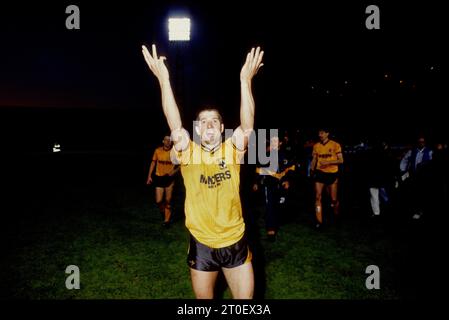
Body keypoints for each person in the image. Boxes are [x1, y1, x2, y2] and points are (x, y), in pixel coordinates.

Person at [142, 44, 263, 299]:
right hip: (202, 243)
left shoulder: (232, 149)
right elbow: (175, 127)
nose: (209, 124)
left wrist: (245, 80)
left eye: (215, 120)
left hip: (235, 240)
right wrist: (164, 80)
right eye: (203, 121)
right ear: (197, 129)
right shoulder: (189, 152)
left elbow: (248, 127)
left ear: (221, 129)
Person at [253, 136, 294, 241]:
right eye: (271, 142)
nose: (273, 144)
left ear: (280, 143)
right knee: (269, 205)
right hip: (269, 183)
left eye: (275, 141)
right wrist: (257, 182)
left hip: (282, 184)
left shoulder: (286, 154)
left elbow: (291, 168)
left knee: (279, 205)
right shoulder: (266, 155)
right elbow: (259, 169)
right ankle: (271, 230)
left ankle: (277, 221)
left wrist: (287, 180)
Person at [310, 128, 344, 229]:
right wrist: (311, 170)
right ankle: (319, 222)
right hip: (319, 173)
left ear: (327, 134)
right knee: (318, 197)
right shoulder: (316, 146)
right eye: (319, 133)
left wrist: (328, 162)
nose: (320, 135)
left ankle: (336, 215)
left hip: (332, 174)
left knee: (333, 200)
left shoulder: (335, 145)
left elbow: (341, 160)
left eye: (322, 133)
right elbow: (314, 159)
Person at [146, 135, 179, 227]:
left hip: (169, 178)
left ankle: (166, 221)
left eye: (169, 140)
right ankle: (164, 213)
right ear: (163, 141)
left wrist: (174, 171)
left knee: (168, 200)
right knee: (159, 201)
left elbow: (181, 165)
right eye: (166, 140)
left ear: (171, 142)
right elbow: (153, 163)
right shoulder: (157, 151)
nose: (168, 141)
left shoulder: (175, 152)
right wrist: (149, 176)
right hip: (159, 177)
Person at [399, 135, 433, 219]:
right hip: (415, 176)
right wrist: (403, 170)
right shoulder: (412, 151)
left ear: (425, 142)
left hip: (426, 177)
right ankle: (418, 210)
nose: (421, 143)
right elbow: (404, 160)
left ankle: (423, 210)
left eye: (423, 141)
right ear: (417, 142)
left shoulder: (429, 151)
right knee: (416, 194)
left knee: (425, 194)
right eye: (419, 141)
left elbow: (432, 163)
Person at [364, 140, 397, 217]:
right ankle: (386, 210)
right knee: (384, 195)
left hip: (374, 178)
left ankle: (377, 213)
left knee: (375, 196)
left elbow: (367, 167)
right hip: (382, 179)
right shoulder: (388, 155)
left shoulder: (370, 154)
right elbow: (391, 167)